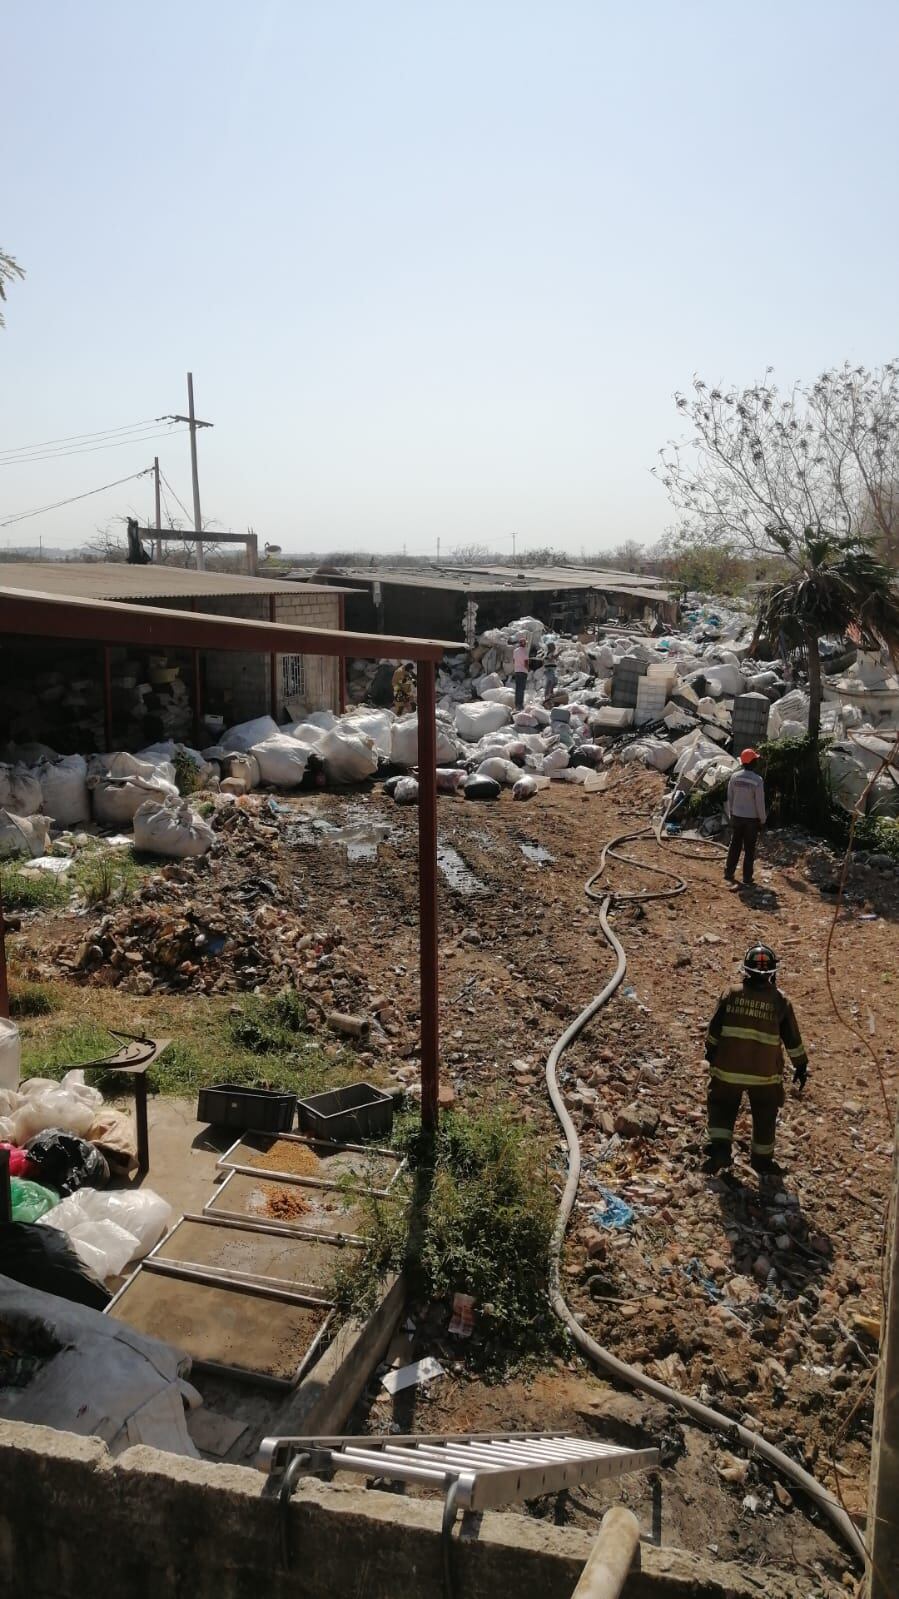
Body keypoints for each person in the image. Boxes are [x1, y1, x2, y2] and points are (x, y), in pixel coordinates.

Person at [704, 944, 808, 1174]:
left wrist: (710, 1052)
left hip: (728, 1071)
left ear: (746, 970)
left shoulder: (731, 994)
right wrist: (801, 1066)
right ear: (773, 973)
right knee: (765, 1114)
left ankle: (720, 1149)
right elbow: (792, 1039)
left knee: (722, 1105)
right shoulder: (780, 1001)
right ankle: (762, 1161)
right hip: (765, 1076)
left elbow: (714, 1031)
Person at [725, 748, 766, 886]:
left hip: (736, 816)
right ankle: (747, 878)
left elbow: (730, 798)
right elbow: (759, 803)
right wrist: (762, 819)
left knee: (734, 845)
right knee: (749, 849)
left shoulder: (734, 777)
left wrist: (731, 814)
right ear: (752, 762)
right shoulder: (758, 780)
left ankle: (729, 872)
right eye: (756, 760)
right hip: (751, 820)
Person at [511, 635, 529, 711]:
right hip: (523, 671)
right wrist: (528, 670)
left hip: (517, 671)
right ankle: (520, 705)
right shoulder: (525, 651)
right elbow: (526, 662)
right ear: (524, 644)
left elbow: (514, 661)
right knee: (521, 689)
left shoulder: (515, 651)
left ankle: (516, 704)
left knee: (517, 688)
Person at [542, 639, 558, 705]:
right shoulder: (549, 653)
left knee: (552, 682)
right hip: (549, 671)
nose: (555, 648)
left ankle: (549, 695)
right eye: (554, 647)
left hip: (550, 670)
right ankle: (548, 696)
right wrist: (560, 652)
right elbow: (552, 658)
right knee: (551, 682)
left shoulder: (549, 653)